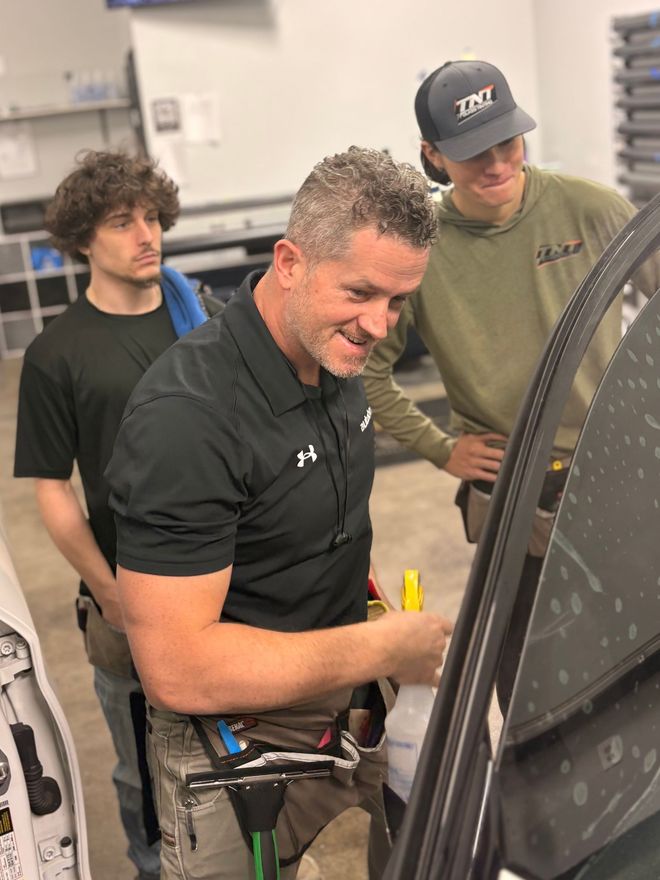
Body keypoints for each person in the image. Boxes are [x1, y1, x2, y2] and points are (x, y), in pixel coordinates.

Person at [104, 146, 453, 880]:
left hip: (350, 693)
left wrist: (376, 625)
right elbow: (178, 669)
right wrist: (383, 647)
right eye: (361, 291)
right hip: (236, 732)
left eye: (398, 301)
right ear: (290, 262)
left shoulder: (334, 352)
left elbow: (325, 524)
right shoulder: (186, 418)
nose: (379, 324)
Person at [362, 60, 658, 704]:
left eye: (507, 142)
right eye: (474, 152)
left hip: (613, 472)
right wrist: (440, 448)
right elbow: (365, 371)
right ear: (433, 155)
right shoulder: (420, 247)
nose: (496, 164)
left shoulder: (591, 208)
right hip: (513, 493)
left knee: (634, 661)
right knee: (526, 680)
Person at [13, 150, 222, 880]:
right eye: (122, 221)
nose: (147, 235)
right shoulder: (56, 353)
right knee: (142, 766)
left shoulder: (202, 318)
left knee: (233, 746)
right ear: (82, 239)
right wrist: (106, 589)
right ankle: (151, 866)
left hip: (224, 573)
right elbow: (51, 486)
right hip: (127, 591)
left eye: (153, 218)